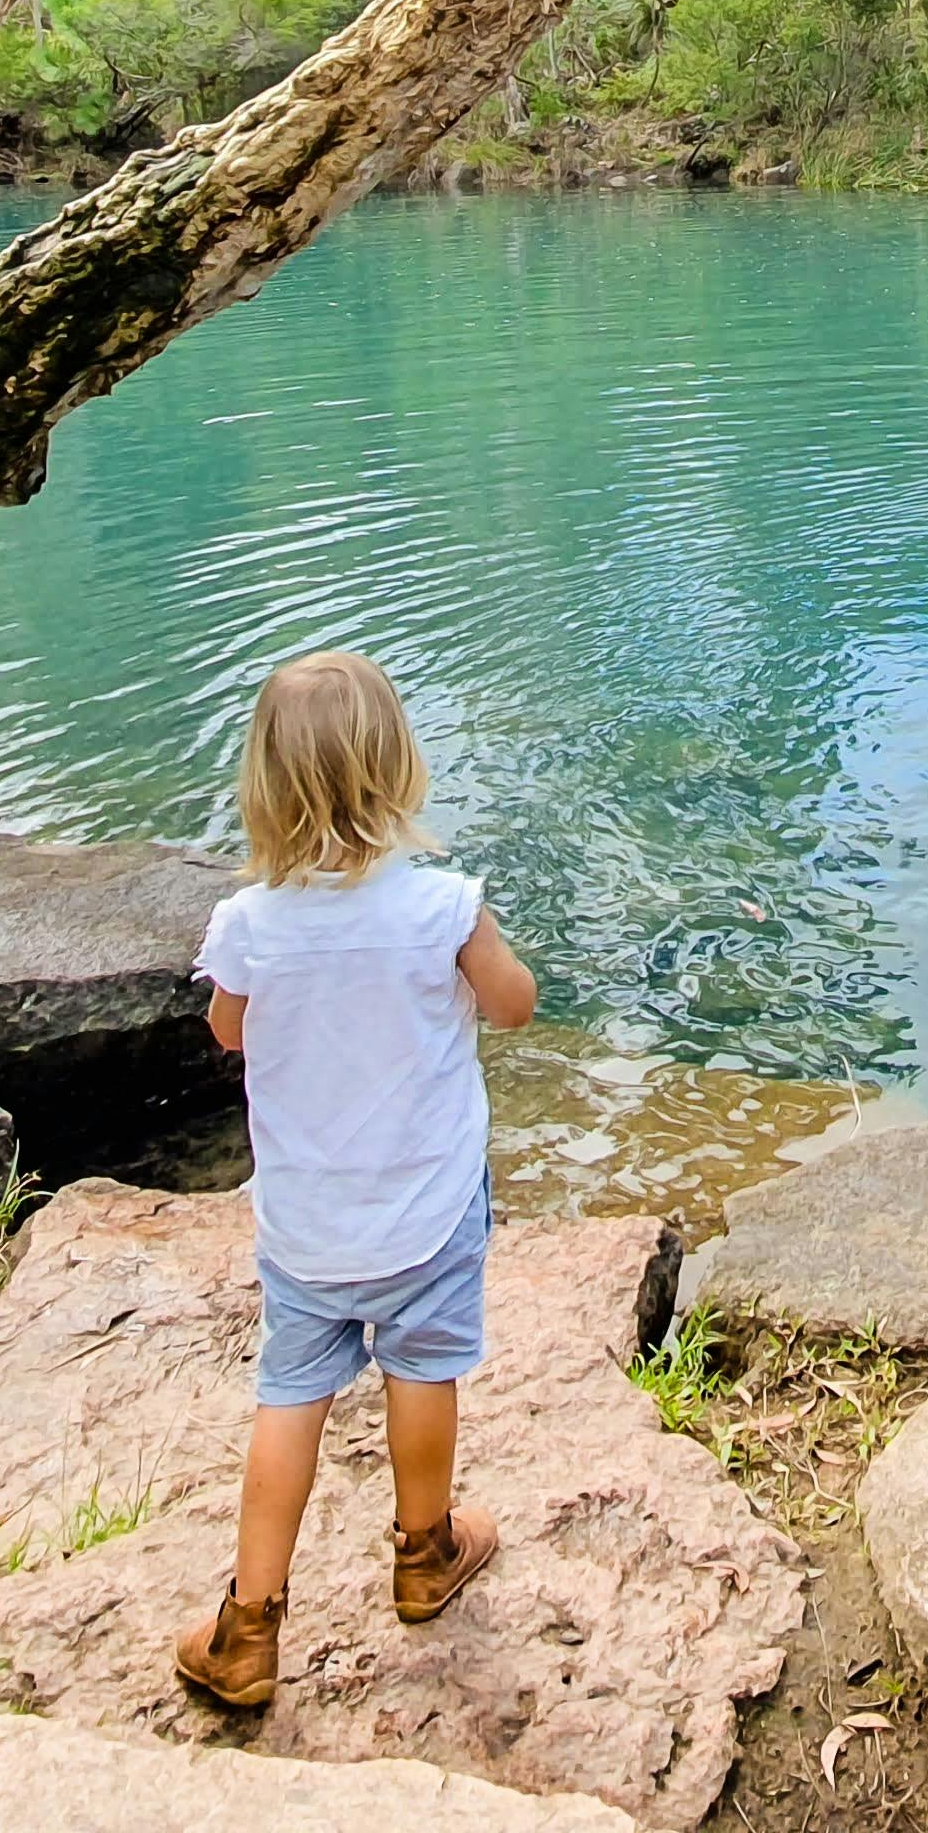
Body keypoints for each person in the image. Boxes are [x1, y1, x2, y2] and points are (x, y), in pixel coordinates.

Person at [170, 650, 540, 1713]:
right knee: (421, 1372)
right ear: (397, 771)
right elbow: (514, 1005)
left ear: (263, 786)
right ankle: (425, 1555)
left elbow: (228, 1032)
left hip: (306, 1227)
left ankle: (248, 1626)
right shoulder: (442, 907)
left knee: (290, 1398)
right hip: (427, 1214)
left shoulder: (249, 925)